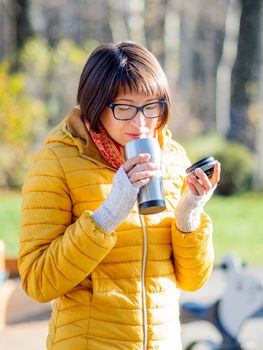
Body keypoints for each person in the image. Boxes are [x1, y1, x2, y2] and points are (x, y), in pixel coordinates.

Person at [18, 41, 221, 350]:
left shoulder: (173, 157)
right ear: (96, 105)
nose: (141, 124)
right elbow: (38, 281)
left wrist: (188, 215)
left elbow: (193, 280)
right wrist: (109, 214)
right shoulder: (57, 163)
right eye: (125, 108)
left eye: (152, 106)